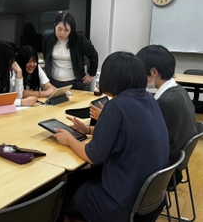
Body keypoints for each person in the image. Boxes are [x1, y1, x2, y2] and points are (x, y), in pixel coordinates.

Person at [54, 52, 169, 222]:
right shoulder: (149, 100)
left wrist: (69, 140)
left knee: (60, 196)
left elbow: (93, 156)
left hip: (119, 204)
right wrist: (88, 130)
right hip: (148, 201)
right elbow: (126, 135)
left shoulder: (117, 105)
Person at [136, 44, 197, 183]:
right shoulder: (180, 91)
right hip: (173, 165)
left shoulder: (166, 102)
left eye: (140, 72)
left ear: (153, 72)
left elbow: (145, 140)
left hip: (161, 173)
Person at [43, 12, 98, 90]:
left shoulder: (79, 39)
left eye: (66, 30)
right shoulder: (47, 38)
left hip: (74, 83)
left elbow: (93, 55)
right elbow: (47, 57)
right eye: (59, 29)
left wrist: (91, 73)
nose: (62, 33)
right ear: (55, 26)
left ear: (71, 30)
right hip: (53, 82)